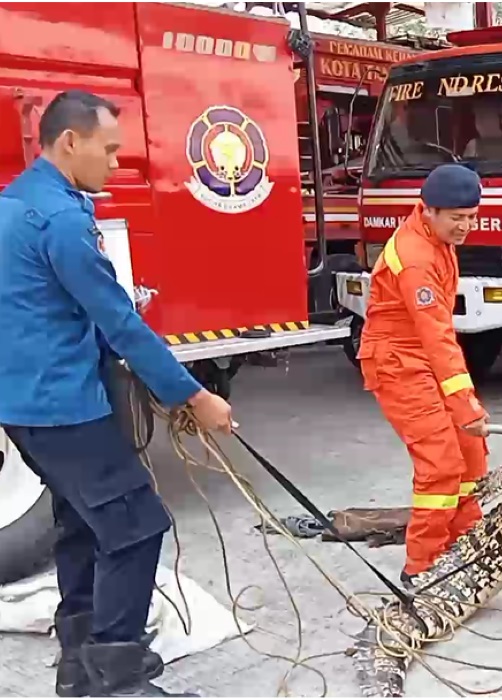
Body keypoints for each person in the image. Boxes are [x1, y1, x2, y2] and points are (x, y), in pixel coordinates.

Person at [0, 89, 232, 697]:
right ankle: (114, 668)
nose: (115, 163)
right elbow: (119, 322)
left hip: (24, 406)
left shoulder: (15, 203)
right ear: (68, 142)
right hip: (63, 406)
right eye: (108, 150)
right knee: (136, 525)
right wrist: (192, 396)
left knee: (80, 520)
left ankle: (78, 659)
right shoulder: (61, 221)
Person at [357, 163, 491, 585]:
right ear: (428, 210)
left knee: (471, 454)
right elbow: (435, 336)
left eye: (471, 217)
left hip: (423, 356)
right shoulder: (415, 259)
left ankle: (466, 545)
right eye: (458, 218)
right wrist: (466, 404)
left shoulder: (436, 238)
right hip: (398, 362)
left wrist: (465, 407)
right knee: (441, 462)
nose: (466, 226)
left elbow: (439, 338)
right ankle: (424, 566)